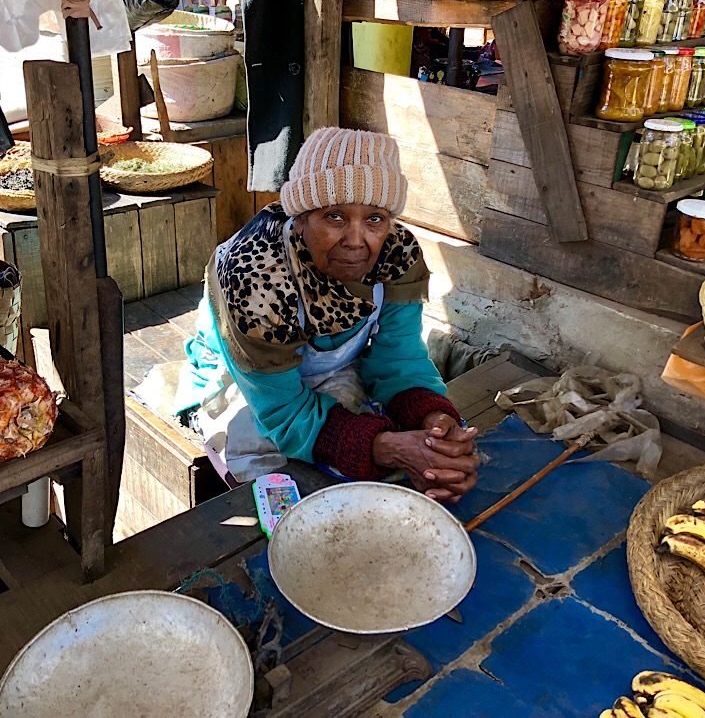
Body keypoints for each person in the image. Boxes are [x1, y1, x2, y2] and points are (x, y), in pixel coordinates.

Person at [173, 127, 479, 502]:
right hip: (251, 381)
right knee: (263, 454)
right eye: (335, 216)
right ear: (299, 218)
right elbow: (282, 410)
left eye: (375, 219)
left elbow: (399, 360)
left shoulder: (397, 257)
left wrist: (436, 427)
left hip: (327, 373)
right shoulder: (253, 278)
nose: (356, 240)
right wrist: (385, 447)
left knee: (386, 439)